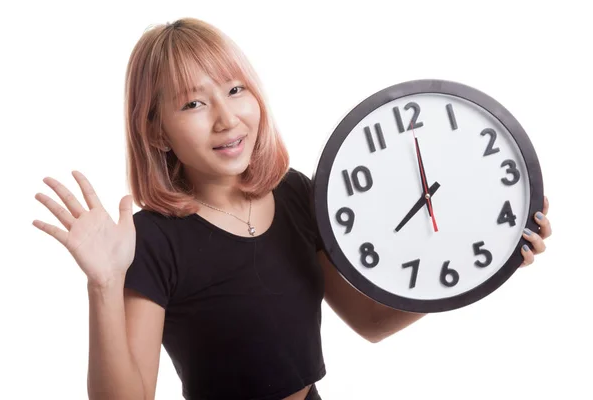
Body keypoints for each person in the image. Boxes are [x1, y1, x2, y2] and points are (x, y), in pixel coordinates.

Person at [32, 18, 553, 400]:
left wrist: (476, 267)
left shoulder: (296, 194)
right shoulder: (151, 243)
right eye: (193, 103)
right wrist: (103, 284)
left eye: (235, 90)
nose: (226, 117)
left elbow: (370, 320)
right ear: (154, 130)